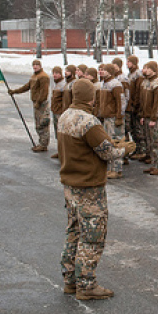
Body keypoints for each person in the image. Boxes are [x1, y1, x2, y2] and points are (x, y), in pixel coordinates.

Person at [57, 78, 133, 300]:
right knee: (92, 236)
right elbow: (108, 152)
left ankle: (70, 280)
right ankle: (87, 285)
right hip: (89, 188)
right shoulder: (89, 122)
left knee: (74, 232)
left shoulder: (65, 117)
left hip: (70, 185)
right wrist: (125, 149)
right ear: (92, 97)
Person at [9, 59, 51, 152]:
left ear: (40, 66)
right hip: (36, 103)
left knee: (43, 123)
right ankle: (41, 143)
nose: (35, 66)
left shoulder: (43, 77)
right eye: (33, 65)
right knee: (38, 124)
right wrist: (15, 91)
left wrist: (39, 102)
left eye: (37, 65)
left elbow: (44, 92)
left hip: (41, 104)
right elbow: (27, 87)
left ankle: (44, 144)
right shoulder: (34, 76)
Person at [96, 64, 126, 179]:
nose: (101, 72)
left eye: (104, 70)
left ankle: (117, 169)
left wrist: (119, 117)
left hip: (114, 118)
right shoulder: (104, 84)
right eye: (100, 70)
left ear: (110, 71)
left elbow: (121, 102)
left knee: (117, 143)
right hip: (107, 118)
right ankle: (111, 168)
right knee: (109, 144)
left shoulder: (116, 85)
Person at [139, 61, 158, 175]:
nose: (145, 70)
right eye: (144, 67)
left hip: (155, 118)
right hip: (147, 116)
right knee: (150, 142)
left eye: (147, 68)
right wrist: (143, 115)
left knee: (157, 142)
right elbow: (142, 101)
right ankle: (154, 164)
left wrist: (154, 118)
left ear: (153, 69)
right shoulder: (146, 82)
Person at [50, 66, 66, 158]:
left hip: (60, 112)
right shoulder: (55, 83)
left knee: (61, 132)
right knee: (57, 132)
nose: (55, 75)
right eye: (54, 73)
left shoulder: (63, 84)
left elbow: (65, 99)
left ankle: (63, 152)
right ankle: (59, 151)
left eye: (57, 73)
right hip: (55, 110)